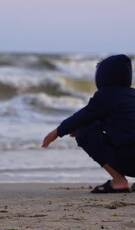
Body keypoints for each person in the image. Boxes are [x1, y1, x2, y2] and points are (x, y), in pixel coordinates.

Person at [42, 54, 135, 193]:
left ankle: (119, 181)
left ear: (103, 76)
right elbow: (122, 122)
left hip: (129, 161)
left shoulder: (105, 96)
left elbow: (82, 116)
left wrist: (57, 131)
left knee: (83, 131)